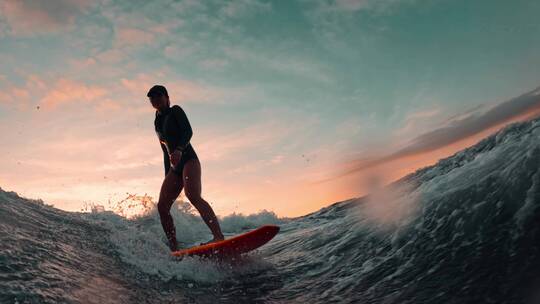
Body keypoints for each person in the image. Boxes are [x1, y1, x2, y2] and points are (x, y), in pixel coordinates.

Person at [147, 84, 225, 251]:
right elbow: (164, 149)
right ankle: (174, 247)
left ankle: (218, 236)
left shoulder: (175, 110)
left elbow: (188, 132)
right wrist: (167, 173)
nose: (155, 99)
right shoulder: (157, 121)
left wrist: (179, 150)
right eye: (152, 97)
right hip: (174, 168)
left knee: (193, 195)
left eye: (158, 96)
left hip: (189, 159)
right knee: (162, 206)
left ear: (167, 98)